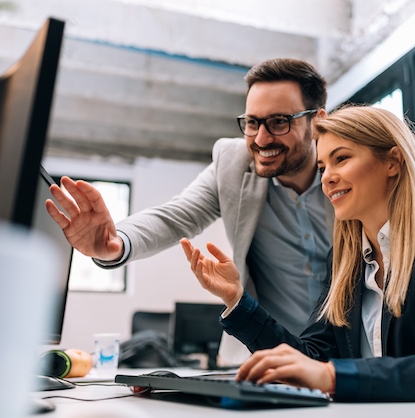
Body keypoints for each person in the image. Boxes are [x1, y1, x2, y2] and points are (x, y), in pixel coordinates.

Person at [180, 105, 415, 404]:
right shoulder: (345, 259)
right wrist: (238, 301)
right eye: (323, 166)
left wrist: (332, 377)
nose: (327, 178)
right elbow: (309, 358)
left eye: (342, 159)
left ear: (392, 162)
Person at [45, 58, 334, 363]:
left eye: (279, 122)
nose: (261, 139)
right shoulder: (233, 163)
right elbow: (176, 215)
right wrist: (116, 242)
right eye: (252, 122)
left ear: (317, 121)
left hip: (348, 355)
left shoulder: (349, 170)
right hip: (265, 355)